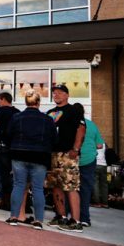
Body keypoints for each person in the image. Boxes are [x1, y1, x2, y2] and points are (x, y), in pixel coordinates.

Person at [5, 90, 56, 230]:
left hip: (19, 154)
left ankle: (14, 217)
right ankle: (38, 220)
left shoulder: (16, 117)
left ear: (26, 102)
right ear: (38, 102)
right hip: (40, 156)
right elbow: (54, 139)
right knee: (38, 188)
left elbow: (8, 135)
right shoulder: (47, 119)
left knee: (18, 185)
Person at [45, 84, 86, 233]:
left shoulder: (73, 110)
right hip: (52, 154)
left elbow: (81, 129)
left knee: (71, 187)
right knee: (56, 186)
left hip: (68, 155)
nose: (56, 95)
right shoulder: (50, 113)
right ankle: (61, 216)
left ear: (67, 95)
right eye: (54, 93)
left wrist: (76, 148)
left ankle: (76, 221)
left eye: (60, 92)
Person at [74, 102, 104, 228]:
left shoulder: (70, 123)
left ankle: (70, 216)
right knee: (85, 189)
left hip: (73, 159)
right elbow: (100, 145)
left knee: (70, 189)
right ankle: (85, 218)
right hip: (89, 160)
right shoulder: (92, 125)